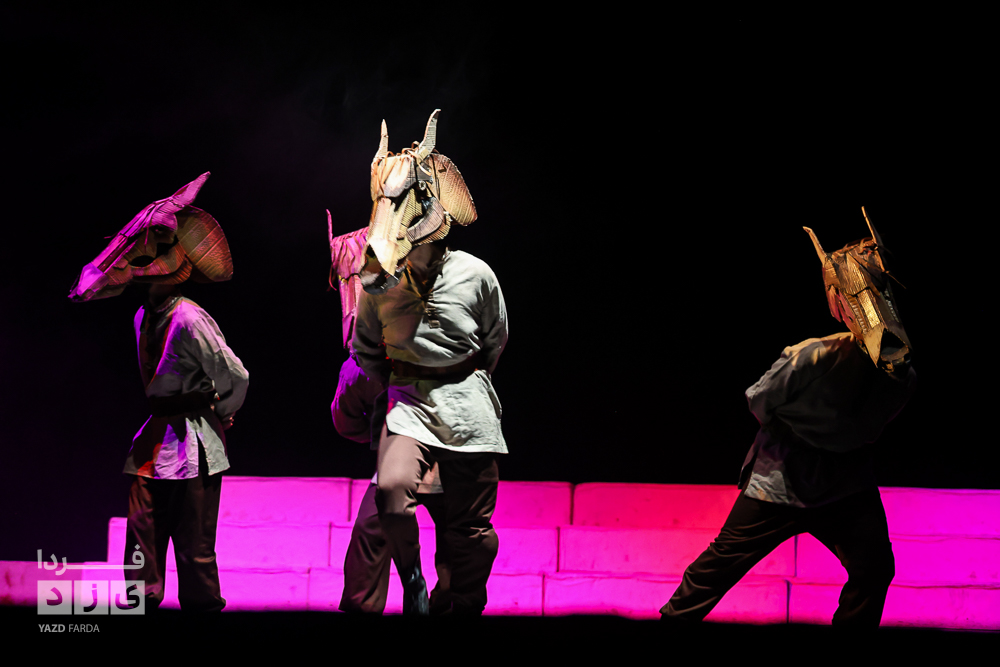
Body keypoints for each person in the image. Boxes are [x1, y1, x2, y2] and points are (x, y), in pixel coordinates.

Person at [660, 210, 916, 626]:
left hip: (842, 483)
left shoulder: (891, 373)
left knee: (873, 568)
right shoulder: (813, 356)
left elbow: (763, 402)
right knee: (717, 566)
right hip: (780, 481)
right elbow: (760, 400)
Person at [351, 110, 508, 615]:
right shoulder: (379, 282)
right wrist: (402, 380)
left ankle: (460, 605)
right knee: (392, 492)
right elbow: (365, 347)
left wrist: (460, 376)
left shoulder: (475, 274)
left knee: (472, 530)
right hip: (409, 401)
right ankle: (413, 580)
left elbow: (495, 340)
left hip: (467, 402)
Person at [69, 172, 248, 612]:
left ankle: (202, 606)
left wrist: (221, 412)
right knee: (142, 537)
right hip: (155, 437)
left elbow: (234, 374)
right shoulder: (143, 315)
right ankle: (141, 603)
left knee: (194, 542)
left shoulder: (189, 318)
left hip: (194, 441)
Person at [328, 222, 452, 614]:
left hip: (447, 457)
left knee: (456, 540)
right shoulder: (362, 368)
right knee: (373, 535)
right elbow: (346, 419)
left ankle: (444, 605)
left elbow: (346, 420)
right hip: (403, 460)